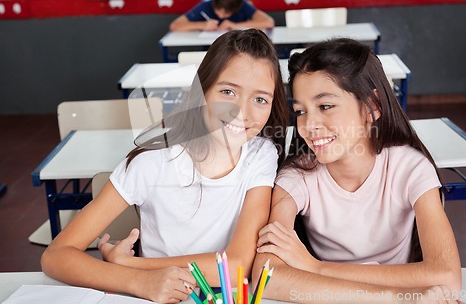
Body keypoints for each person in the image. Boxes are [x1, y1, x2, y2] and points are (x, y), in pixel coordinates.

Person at [41, 29, 289, 303]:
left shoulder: (261, 155)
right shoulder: (152, 161)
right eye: (228, 91)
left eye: (260, 99)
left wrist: (131, 265)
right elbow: (56, 256)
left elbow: (236, 267)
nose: (242, 112)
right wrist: (138, 281)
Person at [253, 38, 462, 303]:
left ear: (371, 107)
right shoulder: (297, 177)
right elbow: (265, 277)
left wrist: (317, 268)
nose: (310, 124)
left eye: (325, 106)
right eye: (300, 111)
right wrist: (397, 299)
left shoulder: (410, 168)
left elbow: (447, 277)